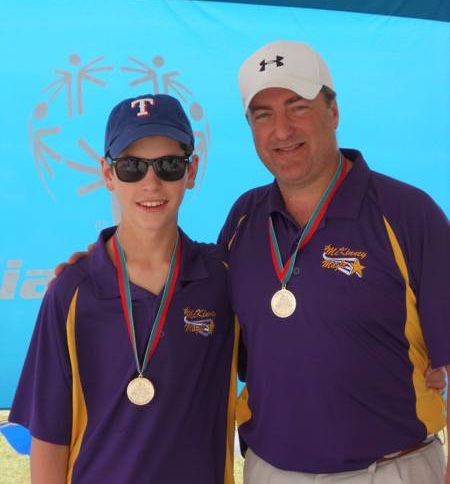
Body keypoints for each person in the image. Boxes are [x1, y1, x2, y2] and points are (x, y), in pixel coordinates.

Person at [219, 40, 450, 483]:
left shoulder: (408, 213)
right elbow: (194, 303)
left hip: (391, 470)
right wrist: (109, 257)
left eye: (298, 107)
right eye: (263, 115)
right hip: (271, 470)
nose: (281, 131)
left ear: (334, 111)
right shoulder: (244, 218)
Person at [9, 94, 238, 484]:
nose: (151, 182)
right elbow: (49, 437)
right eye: (132, 167)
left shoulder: (223, 279)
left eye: (169, 165)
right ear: (107, 173)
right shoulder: (72, 292)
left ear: (192, 171)